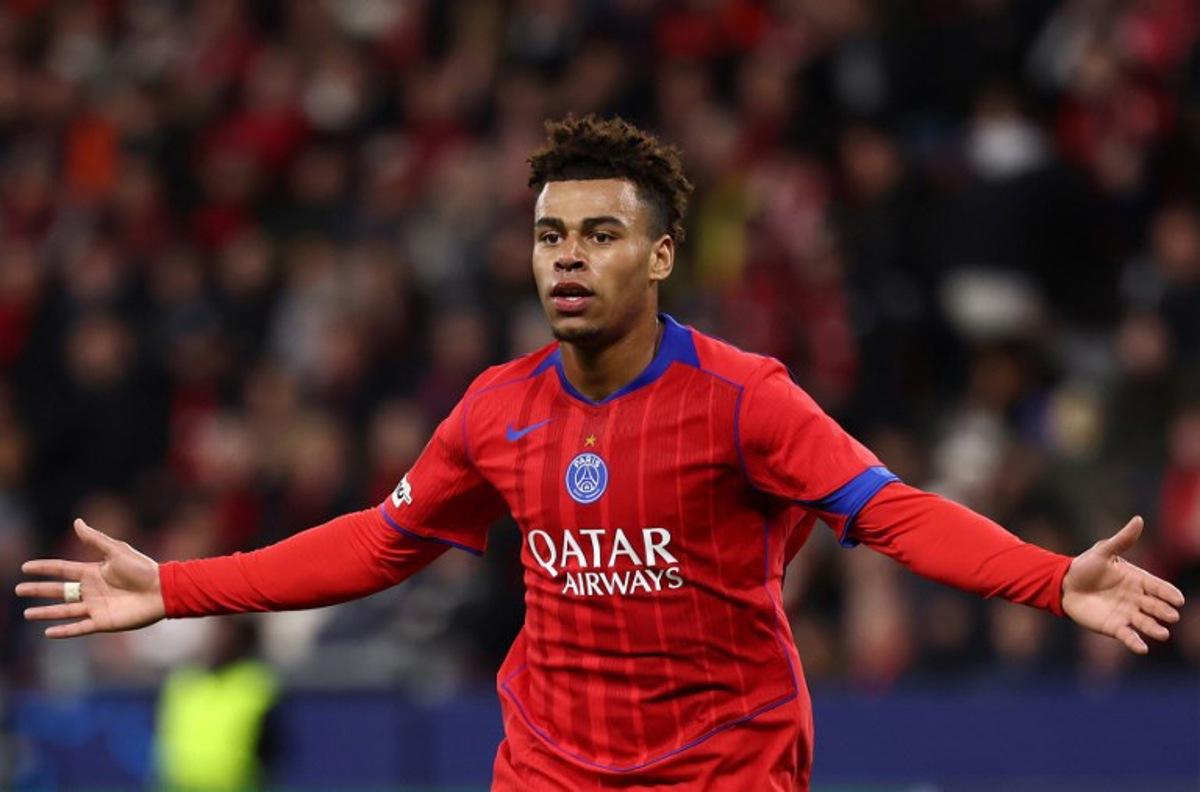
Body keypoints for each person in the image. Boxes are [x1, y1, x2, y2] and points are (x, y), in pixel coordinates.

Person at [17, 115, 1186, 790]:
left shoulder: (745, 400)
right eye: (547, 236)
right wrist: (173, 588)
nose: (566, 258)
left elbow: (889, 510)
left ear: (663, 254)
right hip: (551, 767)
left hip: (721, 764)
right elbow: (378, 545)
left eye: (598, 234)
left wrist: (1047, 577)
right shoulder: (492, 410)